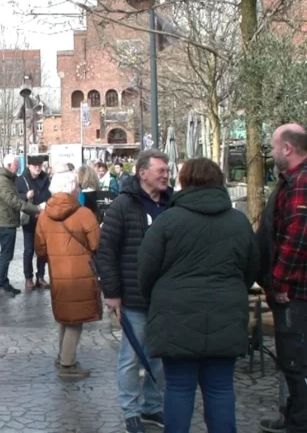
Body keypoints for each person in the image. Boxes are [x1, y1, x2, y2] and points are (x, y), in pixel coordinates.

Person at [138, 158, 259, 433]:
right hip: (226, 314)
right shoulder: (239, 223)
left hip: (175, 316)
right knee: (220, 388)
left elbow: (145, 270)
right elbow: (251, 270)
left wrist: (156, 300)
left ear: (185, 182)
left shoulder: (167, 221)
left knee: (179, 387)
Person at [258, 124, 307, 433]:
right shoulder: (297, 180)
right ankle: (293, 416)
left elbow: (299, 238)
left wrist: (280, 282)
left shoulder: (306, 182)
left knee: (298, 362)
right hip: (296, 290)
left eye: (273, 147)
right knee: (291, 361)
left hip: (299, 292)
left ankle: (303, 424)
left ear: (288, 148)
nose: (271, 153)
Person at [97, 149, 172, 433]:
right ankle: (131, 410)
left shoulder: (172, 204)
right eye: (160, 170)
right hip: (134, 295)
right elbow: (105, 251)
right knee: (130, 358)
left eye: (167, 170)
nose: (165, 175)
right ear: (143, 173)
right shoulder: (122, 206)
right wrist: (112, 292)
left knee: (159, 356)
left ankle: (152, 407)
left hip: (165, 298)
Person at [34, 170, 100, 379]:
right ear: (72, 188)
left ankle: (62, 355)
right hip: (81, 272)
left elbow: (40, 249)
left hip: (58, 272)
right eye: (77, 185)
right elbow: (97, 244)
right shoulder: (84, 214)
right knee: (75, 320)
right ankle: (67, 363)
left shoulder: (44, 215)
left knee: (65, 317)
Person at [0, 154, 41, 297]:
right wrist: (34, 209)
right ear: (8, 165)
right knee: (5, 255)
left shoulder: (8, 178)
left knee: (7, 254)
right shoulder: (2, 180)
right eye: (16, 164)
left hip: (8, 220)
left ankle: (4, 283)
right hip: (4, 221)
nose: (18, 167)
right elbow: (13, 200)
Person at [15, 157, 52, 290]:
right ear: (29, 166)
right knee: (29, 249)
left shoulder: (45, 178)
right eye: (35, 165)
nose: (37, 167)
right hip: (29, 217)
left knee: (42, 248)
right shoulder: (21, 179)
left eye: (39, 165)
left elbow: (50, 195)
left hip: (43, 216)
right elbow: (15, 196)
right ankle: (28, 278)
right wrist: (25, 195)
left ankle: (40, 277)